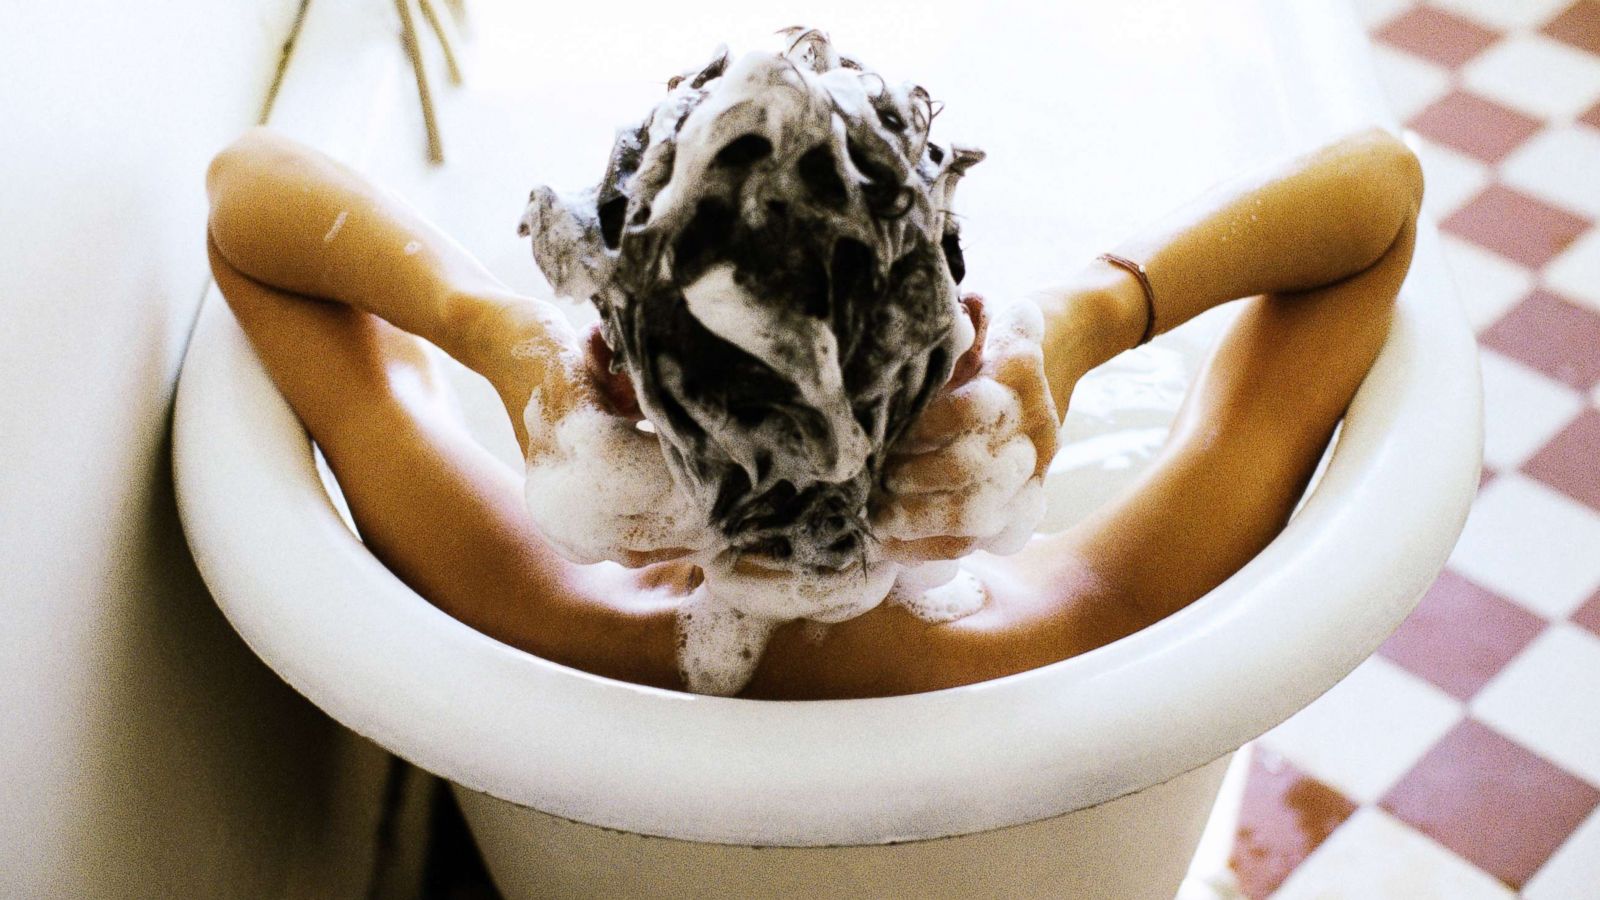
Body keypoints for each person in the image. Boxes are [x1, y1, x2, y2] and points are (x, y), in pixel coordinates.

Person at [204, 117, 1421, 700]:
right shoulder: (1091, 624)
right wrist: (1091, 317)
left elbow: (248, 201)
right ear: (963, 351)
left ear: (615, 379)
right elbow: (1378, 193)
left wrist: (494, 334)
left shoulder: (523, 604)